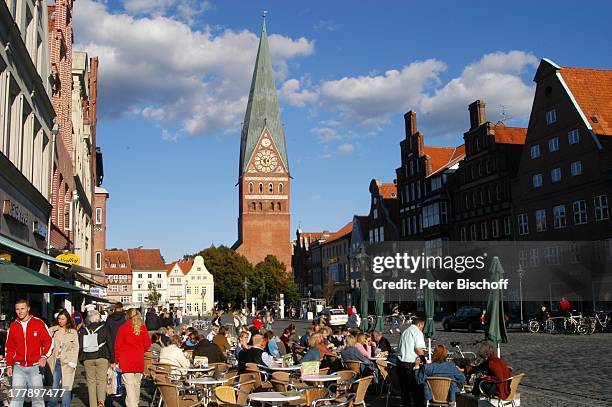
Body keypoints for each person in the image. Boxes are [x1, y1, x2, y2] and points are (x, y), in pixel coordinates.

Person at [5, 299, 53, 407]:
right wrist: (8, 365)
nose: (20, 311)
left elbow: (49, 341)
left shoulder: (39, 323)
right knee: (16, 399)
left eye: (22, 308)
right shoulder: (13, 326)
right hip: (18, 367)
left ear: (28, 308)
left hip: (35, 367)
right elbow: (9, 348)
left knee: (37, 399)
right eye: (17, 309)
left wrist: (44, 356)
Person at [115, 308, 152, 407]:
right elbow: (148, 344)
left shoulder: (123, 328)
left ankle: (133, 405)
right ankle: (134, 403)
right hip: (138, 360)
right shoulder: (142, 328)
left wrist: (116, 360)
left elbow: (118, 345)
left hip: (126, 360)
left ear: (127, 316)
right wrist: (140, 351)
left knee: (129, 386)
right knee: (136, 385)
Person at [78, 310, 112, 407]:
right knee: (101, 381)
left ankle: (92, 404)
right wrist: (112, 359)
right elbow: (109, 343)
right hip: (102, 356)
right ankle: (101, 402)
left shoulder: (84, 330)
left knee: (91, 382)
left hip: (87, 358)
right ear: (99, 318)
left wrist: (81, 358)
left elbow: (80, 345)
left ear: (89, 318)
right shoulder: (104, 329)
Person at [48, 309, 79, 407]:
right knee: (54, 385)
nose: (60, 321)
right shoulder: (53, 330)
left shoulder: (73, 332)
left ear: (67, 320)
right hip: (54, 361)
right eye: (59, 319)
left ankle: (66, 405)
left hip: (67, 362)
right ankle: (52, 404)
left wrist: (72, 362)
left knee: (67, 386)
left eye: (63, 319)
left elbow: (76, 348)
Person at [396, 316, 426, 407]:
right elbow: (418, 349)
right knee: (416, 389)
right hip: (410, 364)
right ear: (420, 324)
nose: (422, 328)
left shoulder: (405, 331)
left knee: (405, 391)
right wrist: (424, 360)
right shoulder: (417, 332)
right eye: (423, 326)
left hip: (400, 362)